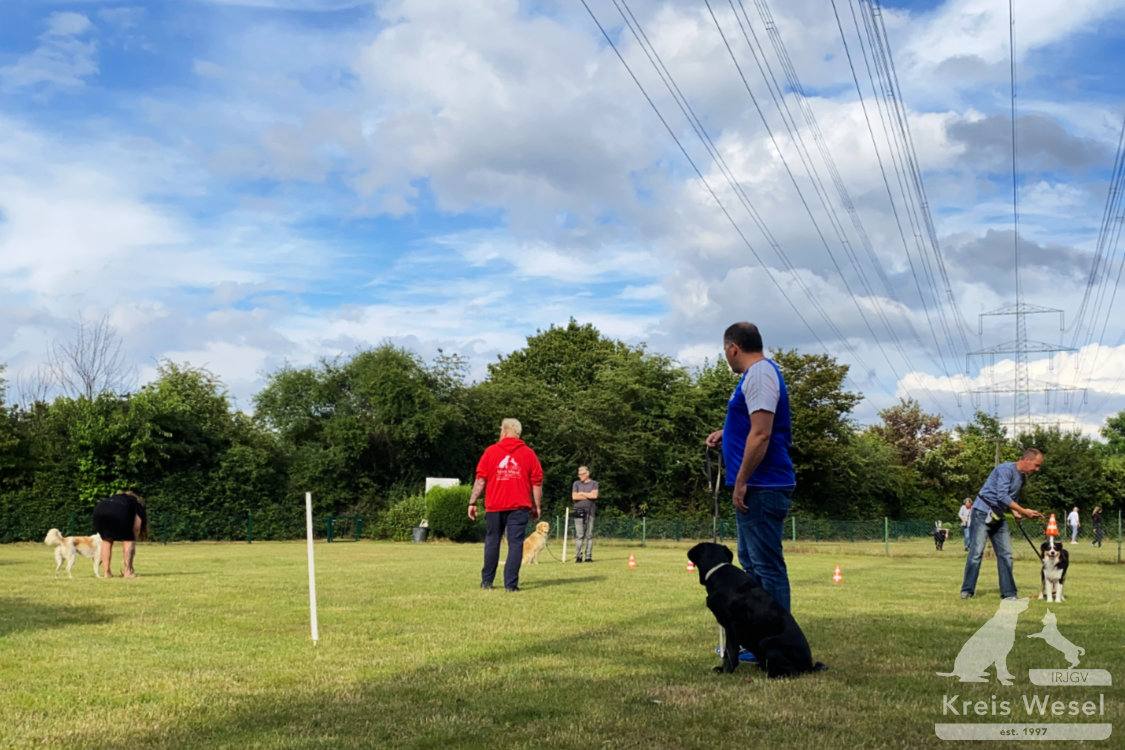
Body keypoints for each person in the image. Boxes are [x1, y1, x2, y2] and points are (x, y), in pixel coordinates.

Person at [705, 322, 796, 612]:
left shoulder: (759, 375)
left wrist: (742, 480)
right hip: (757, 485)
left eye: (725, 351)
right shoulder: (754, 376)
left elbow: (762, 433)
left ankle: (780, 645)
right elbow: (753, 424)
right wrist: (726, 433)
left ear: (733, 348)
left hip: (762, 485)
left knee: (766, 566)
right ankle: (760, 642)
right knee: (752, 563)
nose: (726, 357)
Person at [467, 418, 543, 592]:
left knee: (492, 541)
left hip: (495, 505)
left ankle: (487, 582)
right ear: (518, 434)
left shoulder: (490, 452)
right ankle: (511, 585)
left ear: (504, 431)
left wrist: (472, 502)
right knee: (515, 544)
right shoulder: (529, 454)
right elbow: (537, 482)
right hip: (519, 506)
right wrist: (536, 506)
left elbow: (480, 480)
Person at [959, 449, 1046, 600]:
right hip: (981, 512)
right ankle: (967, 591)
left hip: (998, 516)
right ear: (1027, 460)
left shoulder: (1022, 478)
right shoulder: (1005, 469)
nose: (1037, 470)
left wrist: (1017, 513)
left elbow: (1012, 498)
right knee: (976, 553)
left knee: (1006, 554)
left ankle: (1009, 594)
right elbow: (1002, 495)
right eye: (1036, 465)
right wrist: (1024, 511)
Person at [91, 490, 148, 578]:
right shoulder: (136, 503)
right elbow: (137, 527)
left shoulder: (115, 498)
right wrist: (133, 540)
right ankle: (127, 572)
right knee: (128, 540)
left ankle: (107, 572)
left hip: (99, 508)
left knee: (106, 540)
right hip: (119, 510)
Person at [571, 466, 598, 563]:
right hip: (578, 511)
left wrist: (582, 493)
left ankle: (588, 557)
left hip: (590, 512)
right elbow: (574, 496)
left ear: (587, 474)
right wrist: (588, 495)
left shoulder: (594, 483)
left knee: (589, 535)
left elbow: (594, 495)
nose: (580, 476)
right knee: (579, 535)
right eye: (579, 474)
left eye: (582, 474)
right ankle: (578, 556)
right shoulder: (576, 483)